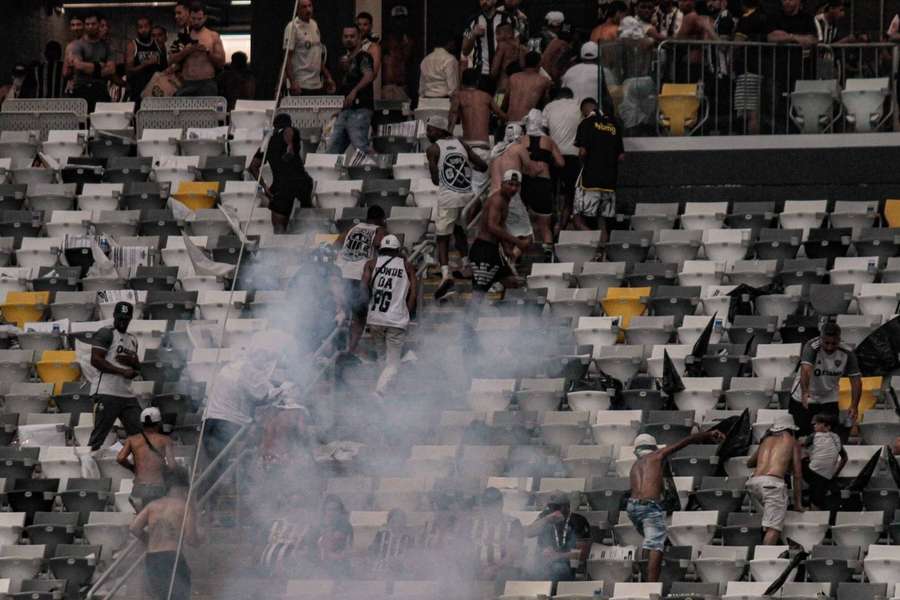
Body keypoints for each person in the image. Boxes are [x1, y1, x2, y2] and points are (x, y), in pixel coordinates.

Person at [628, 430, 724, 582]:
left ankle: (641, 570)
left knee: (650, 539)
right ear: (654, 448)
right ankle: (650, 585)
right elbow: (683, 442)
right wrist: (705, 435)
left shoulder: (635, 465)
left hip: (632, 507)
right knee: (655, 544)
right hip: (649, 506)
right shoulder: (657, 456)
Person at [425, 115, 488, 301]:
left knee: (442, 237)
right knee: (459, 230)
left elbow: (436, 180)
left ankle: (446, 274)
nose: (427, 133)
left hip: (448, 199)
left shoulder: (433, 149)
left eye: (430, 129)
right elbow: (483, 166)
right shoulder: (462, 144)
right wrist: (466, 169)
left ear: (440, 130)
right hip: (466, 197)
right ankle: (466, 265)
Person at [129, 467, 202, 600]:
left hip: (152, 558)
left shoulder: (153, 505)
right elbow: (191, 539)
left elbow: (134, 528)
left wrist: (148, 540)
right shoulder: (183, 507)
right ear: (185, 487)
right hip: (171, 558)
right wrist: (201, 539)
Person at [361, 234, 418, 398]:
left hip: (375, 318)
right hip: (396, 319)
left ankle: (384, 394)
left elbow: (363, 288)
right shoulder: (407, 266)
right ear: (398, 250)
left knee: (382, 358)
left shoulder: (371, 264)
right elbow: (413, 293)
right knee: (393, 363)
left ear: (381, 249)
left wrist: (367, 311)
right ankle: (379, 392)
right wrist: (408, 311)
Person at [790, 322, 862, 439]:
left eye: (834, 343)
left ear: (839, 340)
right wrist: (804, 393)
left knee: (830, 435)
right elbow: (806, 371)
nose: (829, 347)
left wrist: (854, 405)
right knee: (802, 435)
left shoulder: (847, 353)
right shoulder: (811, 347)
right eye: (826, 343)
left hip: (829, 396)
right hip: (806, 395)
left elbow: (856, 380)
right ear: (821, 338)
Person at [469, 170, 529, 304]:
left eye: (516, 185)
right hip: (484, 251)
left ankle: (506, 315)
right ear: (502, 184)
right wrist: (517, 242)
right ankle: (467, 324)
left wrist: (506, 248)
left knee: (513, 282)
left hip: (494, 251)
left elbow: (499, 227)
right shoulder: (497, 200)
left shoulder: (505, 200)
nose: (513, 188)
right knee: (478, 294)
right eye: (510, 184)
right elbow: (492, 226)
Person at [88, 301, 142, 451]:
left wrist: (132, 364)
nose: (122, 321)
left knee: (141, 434)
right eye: (120, 318)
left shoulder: (132, 339)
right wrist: (122, 371)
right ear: (113, 316)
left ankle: (141, 466)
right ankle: (87, 467)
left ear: (131, 318)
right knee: (99, 435)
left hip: (126, 394)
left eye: (125, 319)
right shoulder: (106, 332)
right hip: (107, 392)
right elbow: (96, 360)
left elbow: (137, 367)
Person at [335, 205, 387, 360]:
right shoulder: (379, 230)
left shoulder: (352, 228)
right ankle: (350, 350)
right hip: (358, 276)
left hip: (341, 274)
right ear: (381, 219)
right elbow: (382, 245)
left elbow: (336, 244)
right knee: (360, 316)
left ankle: (339, 348)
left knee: (344, 312)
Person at [249, 113, 314, 233]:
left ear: (274, 126)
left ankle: (280, 249)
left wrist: (265, 187)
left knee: (279, 228)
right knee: (308, 223)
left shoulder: (266, 143)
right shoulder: (292, 132)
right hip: (301, 183)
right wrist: (289, 145)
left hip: (282, 186)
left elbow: (253, 167)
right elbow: (289, 131)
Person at [449, 68, 507, 200]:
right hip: (483, 147)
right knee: (479, 192)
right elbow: (503, 116)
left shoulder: (458, 96)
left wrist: (448, 137)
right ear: (477, 81)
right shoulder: (486, 97)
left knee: (467, 188)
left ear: (462, 82)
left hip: (466, 148)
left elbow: (452, 116)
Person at [747, 414, 803, 544]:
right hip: (772, 484)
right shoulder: (793, 442)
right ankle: (764, 559)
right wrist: (797, 503)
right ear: (792, 429)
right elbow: (798, 474)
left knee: (769, 522)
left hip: (753, 483)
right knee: (774, 528)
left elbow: (750, 463)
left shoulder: (766, 441)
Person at [573, 97, 625, 237]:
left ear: (585, 111)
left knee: (578, 218)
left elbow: (582, 152)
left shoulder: (586, 123)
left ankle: (594, 245)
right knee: (602, 222)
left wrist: (585, 162)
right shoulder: (614, 125)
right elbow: (621, 157)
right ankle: (603, 254)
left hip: (590, 180)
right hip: (609, 182)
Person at [766, 0, 817, 132]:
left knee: (801, 108)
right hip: (778, 70)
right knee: (777, 108)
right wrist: (796, 38)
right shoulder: (775, 16)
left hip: (801, 72)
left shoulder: (807, 18)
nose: (786, 3)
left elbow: (812, 39)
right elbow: (772, 37)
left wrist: (787, 36)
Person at [520, 109, 564, 259]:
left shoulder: (521, 140)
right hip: (543, 183)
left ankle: (517, 253)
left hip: (524, 182)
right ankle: (547, 252)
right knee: (544, 224)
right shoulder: (549, 141)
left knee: (519, 220)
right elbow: (561, 162)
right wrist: (547, 160)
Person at [326, 25, 376, 155]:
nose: (349, 39)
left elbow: (369, 75)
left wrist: (354, 91)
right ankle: (331, 173)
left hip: (360, 108)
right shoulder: (345, 60)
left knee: (360, 146)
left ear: (359, 37)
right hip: (346, 109)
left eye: (352, 36)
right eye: (346, 36)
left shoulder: (363, 56)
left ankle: (378, 169)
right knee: (333, 147)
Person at [117, 407, 176, 512]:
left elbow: (120, 458)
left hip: (139, 489)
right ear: (159, 423)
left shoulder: (132, 439)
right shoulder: (165, 440)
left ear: (142, 423)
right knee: (155, 520)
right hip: (157, 488)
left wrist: (133, 468)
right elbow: (172, 466)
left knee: (141, 519)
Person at [544, 88, 586, 232]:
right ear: (571, 96)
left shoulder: (549, 107)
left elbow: (543, 130)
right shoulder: (577, 104)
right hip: (573, 155)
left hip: (554, 155)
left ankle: (553, 221)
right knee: (570, 193)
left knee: (552, 191)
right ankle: (563, 223)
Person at [463, 487, 525, 583]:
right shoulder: (473, 523)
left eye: (492, 505)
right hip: (477, 567)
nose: (488, 509)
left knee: (502, 576)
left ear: (500, 505)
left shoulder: (513, 523)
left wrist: (494, 568)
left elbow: (512, 555)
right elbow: (466, 549)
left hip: (503, 568)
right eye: (486, 505)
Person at [525, 492, 591, 582]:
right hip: (544, 563)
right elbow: (528, 533)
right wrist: (546, 519)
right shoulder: (545, 517)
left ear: (567, 507)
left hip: (567, 564)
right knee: (527, 572)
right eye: (551, 507)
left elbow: (582, 553)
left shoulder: (578, 521)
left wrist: (558, 556)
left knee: (558, 569)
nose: (553, 511)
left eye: (556, 507)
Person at [170, 2, 225, 97]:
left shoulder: (213, 36)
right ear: (189, 16)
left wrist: (207, 51)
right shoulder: (182, 35)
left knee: (207, 111)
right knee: (184, 112)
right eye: (193, 18)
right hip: (187, 82)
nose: (196, 22)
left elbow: (221, 62)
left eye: (199, 19)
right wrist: (187, 51)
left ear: (205, 18)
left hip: (207, 83)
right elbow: (171, 60)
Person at [795, 413, 847, 511]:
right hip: (826, 475)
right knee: (818, 494)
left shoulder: (815, 435)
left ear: (827, 426)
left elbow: (799, 444)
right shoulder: (835, 438)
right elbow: (844, 458)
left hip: (813, 472)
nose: (814, 425)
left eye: (817, 424)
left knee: (799, 455)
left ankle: (802, 491)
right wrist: (835, 474)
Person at [284, 0, 335, 96]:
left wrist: (328, 77)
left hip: (317, 84)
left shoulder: (314, 24)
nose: (308, 9)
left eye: (309, 6)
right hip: (301, 84)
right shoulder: (292, 27)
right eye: (304, 7)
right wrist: (293, 82)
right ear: (297, 10)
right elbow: (287, 58)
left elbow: (317, 54)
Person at [67, 12, 115, 112]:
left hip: (101, 90)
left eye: (93, 24)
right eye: (87, 24)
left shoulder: (107, 46)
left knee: (103, 124)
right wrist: (100, 66)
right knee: (82, 125)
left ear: (99, 25)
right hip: (81, 90)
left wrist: (87, 68)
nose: (90, 27)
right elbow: (78, 66)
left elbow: (111, 70)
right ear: (84, 25)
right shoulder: (76, 45)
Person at [733, 0, 768, 134]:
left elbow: (737, 44)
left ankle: (752, 145)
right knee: (756, 110)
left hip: (748, 69)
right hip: (761, 68)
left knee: (750, 113)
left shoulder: (747, 19)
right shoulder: (764, 16)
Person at [304, 495, 353, 576]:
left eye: (336, 510)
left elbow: (348, 547)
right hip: (319, 565)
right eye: (329, 509)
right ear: (325, 511)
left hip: (339, 566)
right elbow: (310, 548)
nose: (332, 513)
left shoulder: (345, 526)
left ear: (341, 511)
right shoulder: (316, 527)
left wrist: (338, 556)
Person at [126, 16, 167, 105]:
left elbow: (165, 68)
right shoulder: (132, 45)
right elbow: (129, 71)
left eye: (146, 26)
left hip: (156, 90)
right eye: (140, 27)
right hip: (138, 91)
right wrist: (145, 64)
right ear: (136, 29)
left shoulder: (159, 44)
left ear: (150, 27)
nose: (143, 30)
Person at [503, 51, 552, 123]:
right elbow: (547, 104)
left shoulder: (513, 77)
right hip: (527, 123)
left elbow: (505, 101)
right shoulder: (543, 80)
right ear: (539, 64)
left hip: (510, 121)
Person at [381, 5, 415, 101]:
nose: (399, 23)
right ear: (392, 21)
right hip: (388, 87)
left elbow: (409, 63)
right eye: (397, 20)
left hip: (403, 86)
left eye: (402, 19)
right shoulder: (386, 41)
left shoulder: (409, 42)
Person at [369, 508, 415, 577]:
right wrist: (378, 560)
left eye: (400, 522)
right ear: (389, 522)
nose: (397, 525)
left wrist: (401, 562)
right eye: (394, 521)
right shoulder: (382, 534)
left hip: (402, 571)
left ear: (404, 523)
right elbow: (373, 551)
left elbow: (412, 556)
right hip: (382, 570)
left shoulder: (408, 537)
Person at [419, 32, 460, 99]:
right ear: (450, 42)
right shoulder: (450, 59)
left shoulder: (425, 60)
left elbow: (421, 88)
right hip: (444, 102)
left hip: (426, 102)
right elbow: (453, 88)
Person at [491, 22, 525, 96]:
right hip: (519, 86)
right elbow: (523, 66)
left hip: (503, 87)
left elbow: (494, 71)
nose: (496, 37)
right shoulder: (522, 48)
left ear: (507, 33)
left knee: (497, 106)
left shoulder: (502, 46)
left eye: (498, 33)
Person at [357, 11, 383, 83]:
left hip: (363, 87)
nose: (361, 27)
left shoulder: (373, 45)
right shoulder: (353, 43)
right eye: (359, 24)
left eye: (365, 24)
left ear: (370, 26)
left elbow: (373, 73)